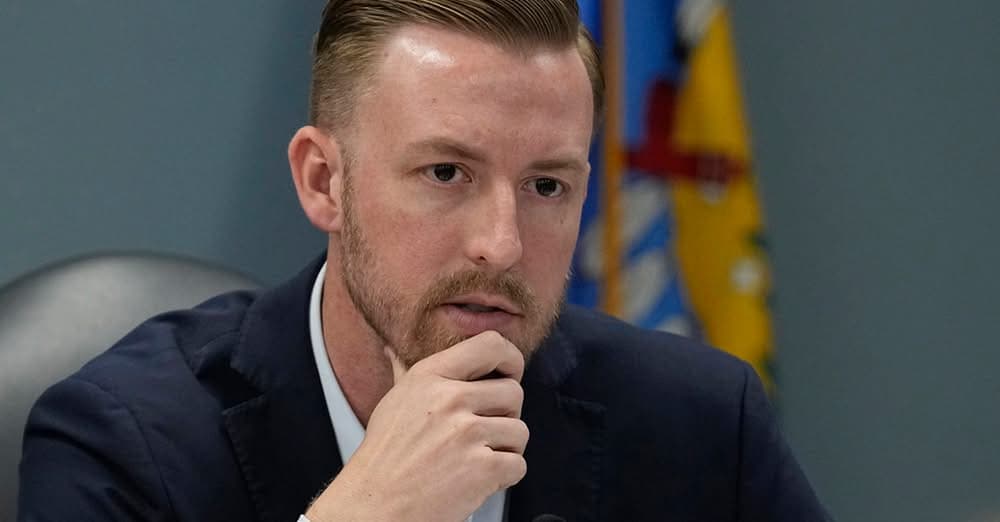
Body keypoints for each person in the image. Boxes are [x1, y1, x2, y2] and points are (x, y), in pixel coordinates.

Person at [18, 1, 830, 520]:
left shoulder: (698, 424)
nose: (503, 244)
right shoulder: (123, 442)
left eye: (547, 185)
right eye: (446, 173)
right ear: (323, 181)